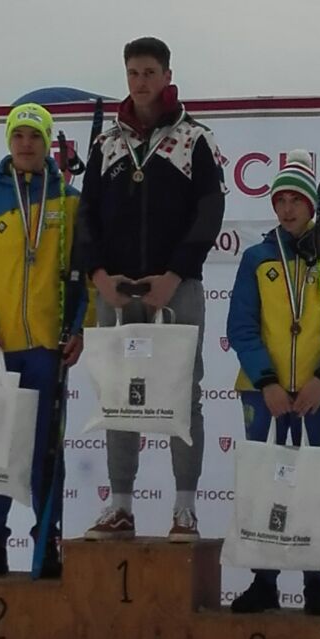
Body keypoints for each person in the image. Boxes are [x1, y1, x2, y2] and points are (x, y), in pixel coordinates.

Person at [76, 36, 226, 540]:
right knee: (119, 394)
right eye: (133, 73)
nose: (140, 82)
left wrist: (176, 273)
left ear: (167, 76)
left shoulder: (194, 139)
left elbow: (209, 212)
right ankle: (120, 504)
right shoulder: (105, 144)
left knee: (184, 395)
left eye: (149, 73)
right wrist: (99, 275)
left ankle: (185, 508)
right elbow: (86, 215)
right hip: (116, 289)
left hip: (175, 287)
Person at [225, 152, 320, 615]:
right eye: (279, 200)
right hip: (262, 392)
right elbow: (241, 327)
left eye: (295, 200)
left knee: (315, 488)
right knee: (264, 486)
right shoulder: (257, 258)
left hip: (316, 395)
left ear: (311, 206)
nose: (286, 209)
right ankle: (263, 580)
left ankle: (315, 583)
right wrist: (267, 381)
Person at [0, 102, 85, 578]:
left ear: (48, 143)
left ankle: (47, 540)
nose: (26, 144)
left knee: (46, 450)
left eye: (35, 136)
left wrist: (79, 327)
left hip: (48, 347)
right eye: (19, 135)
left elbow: (84, 274)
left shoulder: (69, 201)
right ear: (8, 141)